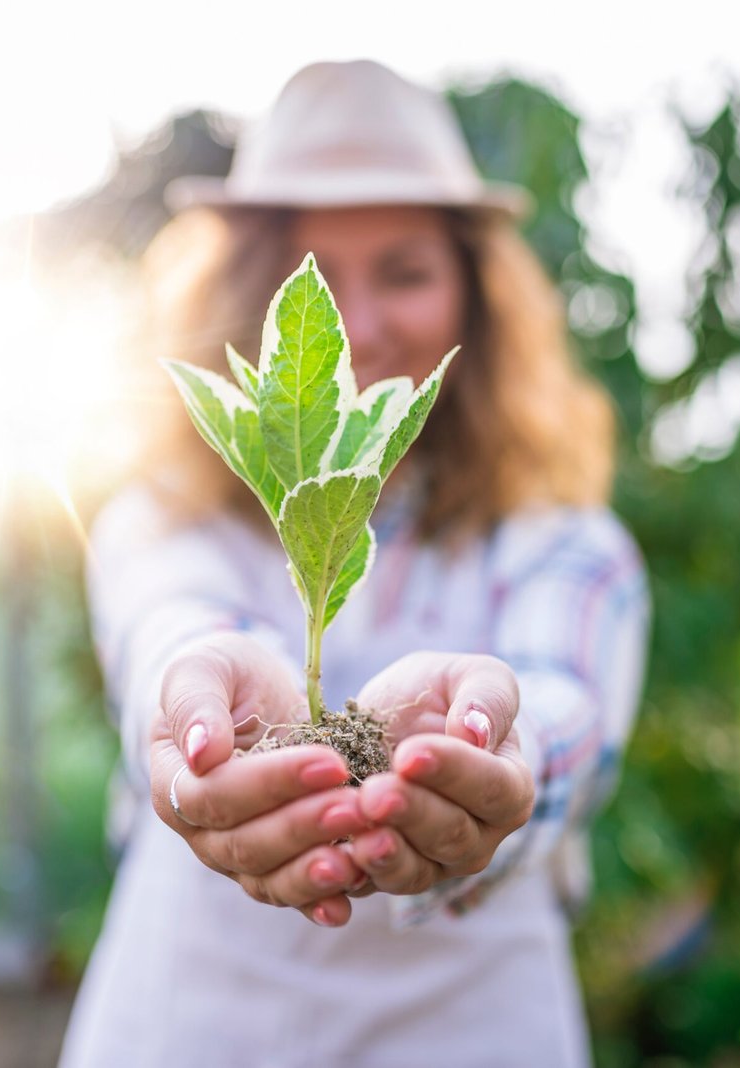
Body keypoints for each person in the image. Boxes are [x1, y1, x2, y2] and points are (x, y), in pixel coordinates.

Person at [58, 59, 651, 1068]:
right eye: (316, 278)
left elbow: (564, 709)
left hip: (469, 1035)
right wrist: (199, 702)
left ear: (474, 296)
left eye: (406, 272)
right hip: (193, 1029)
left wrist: (498, 758)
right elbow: (175, 621)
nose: (359, 328)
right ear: (250, 298)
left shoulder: (563, 539)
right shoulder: (166, 516)